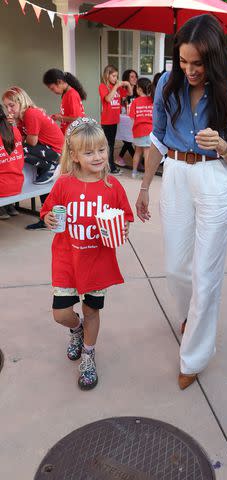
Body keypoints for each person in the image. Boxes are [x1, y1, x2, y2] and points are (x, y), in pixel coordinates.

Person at [135, 14, 227, 390]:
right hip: (175, 172)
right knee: (175, 266)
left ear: (215, 58)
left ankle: (194, 355)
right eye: (183, 62)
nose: (189, 70)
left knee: (206, 271)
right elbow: (156, 138)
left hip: (215, 177)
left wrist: (222, 146)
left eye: (197, 63)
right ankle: (189, 314)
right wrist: (143, 187)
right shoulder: (167, 89)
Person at [41, 117, 134, 390]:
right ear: (75, 156)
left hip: (97, 261)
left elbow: (125, 217)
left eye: (102, 150)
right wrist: (47, 218)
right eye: (89, 152)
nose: (98, 157)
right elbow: (48, 211)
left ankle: (89, 355)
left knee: (92, 309)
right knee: (61, 313)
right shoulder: (63, 184)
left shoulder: (112, 186)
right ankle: (76, 329)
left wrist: (122, 228)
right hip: (66, 258)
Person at [2, 86, 64, 230]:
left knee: (20, 150)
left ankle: (51, 166)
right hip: (46, 151)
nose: (9, 110)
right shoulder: (22, 117)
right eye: (6, 106)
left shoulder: (30, 113)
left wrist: (15, 129)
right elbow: (23, 137)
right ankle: (45, 217)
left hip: (56, 153)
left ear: (21, 101)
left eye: (12, 105)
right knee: (40, 181)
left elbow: (31, 142)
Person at [99, 65, 131, 175]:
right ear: (107, 75)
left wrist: (128, 84)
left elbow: (129, 93)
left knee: (111, 144)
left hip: (115, 120)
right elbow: (108, 99)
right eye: (113, 76)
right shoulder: (103, 86)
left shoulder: (116, 87)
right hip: (107, 121)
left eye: (116, 76)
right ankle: (110, 167)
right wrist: (116, 86)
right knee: (109, 145)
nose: (115, 78)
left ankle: (109, 166)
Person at [43, 68, 86, 134]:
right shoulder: (66, 94)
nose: (53, 92)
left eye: (52, 88)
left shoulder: (72, 94)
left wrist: (61, 117)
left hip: (74, 134)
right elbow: (69, 114)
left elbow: (77, 118)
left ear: (59, 82)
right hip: (68, 132)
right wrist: (58, 116)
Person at [0, 105, 24, 219]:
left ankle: (2, 208)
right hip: (17, 184)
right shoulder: (15, 130)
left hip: (2, 187)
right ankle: (9, 206)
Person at [129, 78, 154, 179]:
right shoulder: (152, 100)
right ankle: (147, 175)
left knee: (138, 152)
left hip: (138, 130)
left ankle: (134, 172)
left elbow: (131, 117)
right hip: (149, 130)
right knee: (147, 152)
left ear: (139, 89)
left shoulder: (135, 101)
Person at [116, 69, 138, 167]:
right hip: (124, 117)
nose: (135, 79)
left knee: (130, 138)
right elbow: (122, 104)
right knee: (127, 139)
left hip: (135, 117)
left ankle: (121, 157)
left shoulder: (138, 89)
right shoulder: (122, 90)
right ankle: (136, 160)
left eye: (135, 76)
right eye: (132, 77)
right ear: (127, 79)